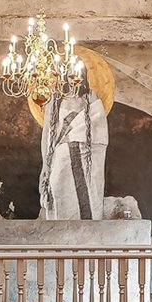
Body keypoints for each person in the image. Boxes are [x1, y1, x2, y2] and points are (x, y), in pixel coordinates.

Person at [38, 81, 107, 220]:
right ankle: (60, 229)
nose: (74, 77)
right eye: (69, 72)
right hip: (60, 154)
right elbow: (47, 132)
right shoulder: (55, 97)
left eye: (78, 72)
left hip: (85, 153)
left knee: (88, 191)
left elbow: (98, 124)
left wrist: (74, 137)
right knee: (57, 184)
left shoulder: (90, 95)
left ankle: (86, 230)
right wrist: (45, 165)